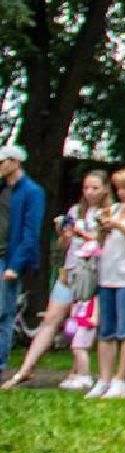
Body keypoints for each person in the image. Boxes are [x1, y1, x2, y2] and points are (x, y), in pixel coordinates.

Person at [2, 168, 108, 390]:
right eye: (86, 188)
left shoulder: (110, 213)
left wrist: (82, 234)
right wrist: (65, 236)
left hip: (92, 277)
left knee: (81, 326)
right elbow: (64, 247)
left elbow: (105, 245)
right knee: (51, 319)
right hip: (69, 272)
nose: (89, 192)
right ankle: (26, 368)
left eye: (95, 188)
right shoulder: (76, 211)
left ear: (105, 189)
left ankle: (80, 373)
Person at [87, 165, 125, 399]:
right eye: (119, 188)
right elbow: (102, 241)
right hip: (107, 277)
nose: (122, 192)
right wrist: (103, 228)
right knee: (105, 331)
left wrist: (120, 226)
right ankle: (103, 379)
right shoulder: (113, 210)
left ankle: (121, 379)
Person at [0, 144, 45, 372]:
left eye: (2, 162)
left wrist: (16, 265)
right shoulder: (2, 189)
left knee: (3, 312)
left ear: (15, 162)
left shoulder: (31, 192)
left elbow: (30, 232)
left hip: (8, 260)